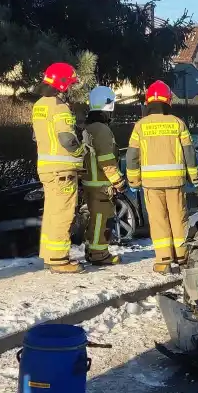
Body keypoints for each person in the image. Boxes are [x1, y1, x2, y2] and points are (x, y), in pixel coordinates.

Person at [126, 81, 198, 274]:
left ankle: (163, 259)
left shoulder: (140, 126)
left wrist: (134, 181)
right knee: (178, 218)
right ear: (168, 101)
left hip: (151, 184)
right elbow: (189, 154)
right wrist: (194, 178)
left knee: (158, 220)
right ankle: (182, 255)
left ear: (148, 101)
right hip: (175, 182)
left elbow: (132, 156)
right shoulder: (178, 123)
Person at [32, 63, 85, 273]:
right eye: (69, 84)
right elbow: (66, 139)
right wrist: (80, 152)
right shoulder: (59, 107)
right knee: (63, 213)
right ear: (61, 84)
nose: (69, 89)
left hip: (46, 168)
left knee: (52, 213)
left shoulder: (39, 105)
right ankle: (60, 260)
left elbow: (36, 136)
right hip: (61, 169)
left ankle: (50, 255)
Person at [81, 85, 127, 266]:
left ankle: (92, 251)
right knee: (102, 220)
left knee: (94, 220)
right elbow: (107, 160)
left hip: (90, 182)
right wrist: (118, 182)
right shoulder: (102, 130)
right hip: (101, 184)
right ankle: (100, 255)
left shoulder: (89, 127)